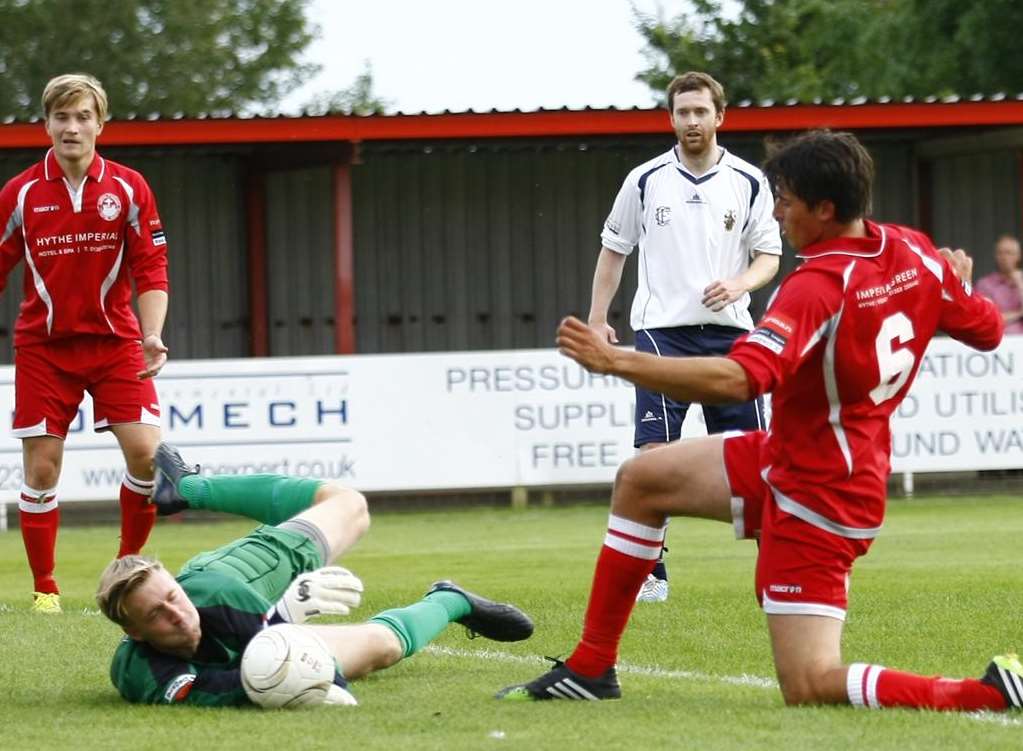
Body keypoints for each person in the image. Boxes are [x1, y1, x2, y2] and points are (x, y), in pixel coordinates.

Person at [497, 130, 1023, 712]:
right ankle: (591, 668)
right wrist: (955, 284)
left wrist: (617, 360)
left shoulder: (813, 289)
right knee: (641, 480)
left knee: (809, 682)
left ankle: (987, 693)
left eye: (787, 200)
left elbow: (740, 379)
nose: (776, 210)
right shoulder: (914, 251)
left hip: (820, 495)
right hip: (790, 456)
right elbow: (989, 329)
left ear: (825, 210)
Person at [96, 443, 534, 706]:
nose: (176, 613)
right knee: (381, 648)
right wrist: (307, 664)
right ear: (134, 633)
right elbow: (235, 684)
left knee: (351, 505)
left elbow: (266, 652)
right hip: (257, 628)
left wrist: (283, 621)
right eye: (156, 614)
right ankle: (450, 599)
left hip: (247, 573)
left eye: (172, 596)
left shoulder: (219, 595)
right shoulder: (140, 672)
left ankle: (189, 489)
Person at [587, 71, 782, 602]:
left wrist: (740, 282)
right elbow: (614, 248)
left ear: (720, 117)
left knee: (757, 455)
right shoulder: (645, 179)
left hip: (732, 336)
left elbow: (769, 254)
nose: (692, 121)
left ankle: (780, 573)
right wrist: (598, 317)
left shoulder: (748, 181)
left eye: (701, 112)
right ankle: (652, 571)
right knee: (653, 455)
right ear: (670, 118)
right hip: (661, 334)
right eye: (682, 112)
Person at [0, 73, 170, 613]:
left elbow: (152, 266)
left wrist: (152, 334)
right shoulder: (20, 193)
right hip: (44, 349)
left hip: (117, 341)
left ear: (100, 122)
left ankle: (126, 573)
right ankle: (44, 589)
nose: (71, 128)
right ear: (46, 124)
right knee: (43, 468)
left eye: (82, 117)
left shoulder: (129, 187)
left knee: (147, 457)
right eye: (61, 117)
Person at [974, 234, 1023, 335]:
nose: (1004, 257)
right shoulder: (985, 284)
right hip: (996, 341)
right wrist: (1019, 313)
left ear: (1018, 256)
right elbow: (986, 319)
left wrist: (1020, 284)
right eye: (1000, 253)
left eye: (1009, 253)